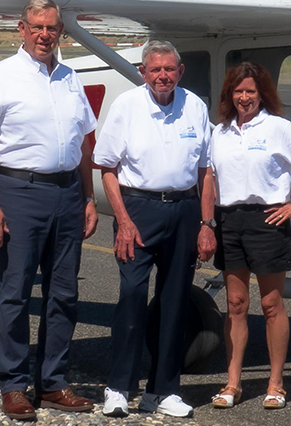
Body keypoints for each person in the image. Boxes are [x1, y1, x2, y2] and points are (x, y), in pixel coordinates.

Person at [0, 0, 98, 421]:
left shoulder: (71, 78)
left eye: (52, 28)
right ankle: (15, 385)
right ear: (22, 28)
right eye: (37, 27)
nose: (44, 35)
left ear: (61, 33)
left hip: (67, 194)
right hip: (19, 192)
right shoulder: (1, 77)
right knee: (16, 292)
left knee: (64, 294)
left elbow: (85, 143)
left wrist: (89, 198)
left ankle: (54, 382)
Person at [92, 40, 216, 419]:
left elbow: (205, 171)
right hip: (138, 208)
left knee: (175, 302)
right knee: (131, 295)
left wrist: (207, 223)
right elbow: (108, 169)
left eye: (169, 69)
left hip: (184, 209)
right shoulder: (126, 107)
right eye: (155, 69)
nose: (163, 75)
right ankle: (118, 387)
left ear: (180, 71)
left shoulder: (195, 106)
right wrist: (124, 221)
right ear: (144, 73)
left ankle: (163, 390)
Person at [210, 62, 291, 410]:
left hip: (268, 220)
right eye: (239, 91)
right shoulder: (221, 132)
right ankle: (233, 383)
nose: (244, 98)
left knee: (271, 304)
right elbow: (209, 178)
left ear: (262, 95)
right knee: (235, 305)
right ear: (230, 94)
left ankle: (276, 384)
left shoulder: (277, 127)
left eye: (251, 92)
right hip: (229, 220)